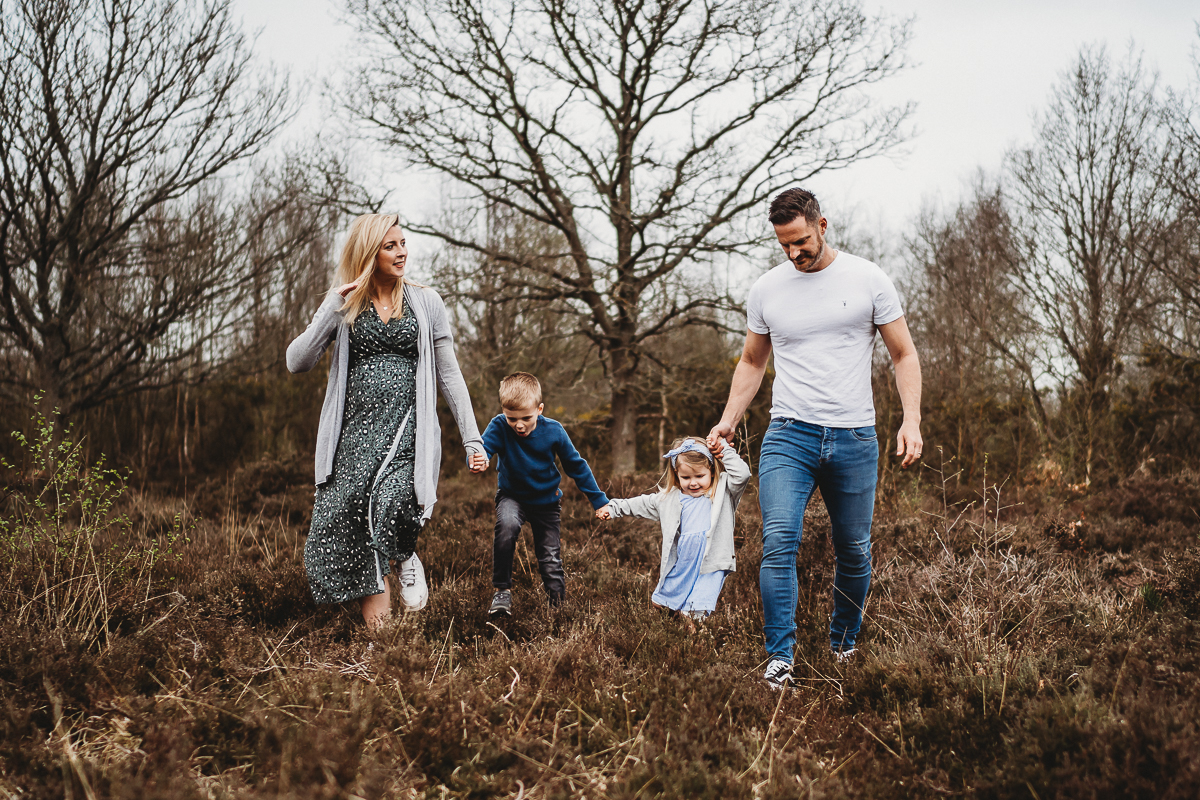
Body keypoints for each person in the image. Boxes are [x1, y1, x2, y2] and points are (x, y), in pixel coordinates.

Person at [707, 188, 922, 689]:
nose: (793, 253)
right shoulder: (767, 290)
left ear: (822, 225)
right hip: (789, 435)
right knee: (779, 541)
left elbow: (904, 355)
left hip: (854, 437)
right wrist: (728, 419)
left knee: (854, 549)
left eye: (801, 241)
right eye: (784, 245)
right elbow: (752, 362)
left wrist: (910, 419)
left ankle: (843, 644)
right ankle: (780, 656)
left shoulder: (869, 279)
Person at [287, 214, 486, 631]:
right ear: (369, 252)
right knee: (353, 528)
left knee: (394, 501)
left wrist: (473, 440)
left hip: (407, 427)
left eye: (403, 243)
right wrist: (331, 306)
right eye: (390, 246)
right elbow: (297, 362)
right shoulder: (345, 304)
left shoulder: (426, 302)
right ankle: (383, 645)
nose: (402, 252)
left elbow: (450, 376)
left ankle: (406, 551)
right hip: (354, 436)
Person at [472, 372, 609, 616]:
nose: (519, 425)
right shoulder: (499, 426)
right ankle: (502, 591)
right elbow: (483, 449)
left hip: (546, 503)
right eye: (512, 418)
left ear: (540, 409)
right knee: (506, 527)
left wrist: (599, 500)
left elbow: (576, 466)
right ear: (503, 411)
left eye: (526, 417)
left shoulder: (554, 431)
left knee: (550, 558)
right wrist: (478, 459)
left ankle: (558, 608)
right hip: (511, 497)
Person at [596, 437, 750, 628]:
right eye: (686, 478)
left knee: (694, 611)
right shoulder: (669, 499)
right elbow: (640, 503)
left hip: (712, 561)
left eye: (699, 476)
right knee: (660, 603)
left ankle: (696, 645)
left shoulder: (723, 491)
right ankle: (679, 633)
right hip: (683, 562)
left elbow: (742, 474)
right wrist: (612, 508)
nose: (693, 483)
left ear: (711, 470)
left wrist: (723, 449)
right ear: (676, 474)